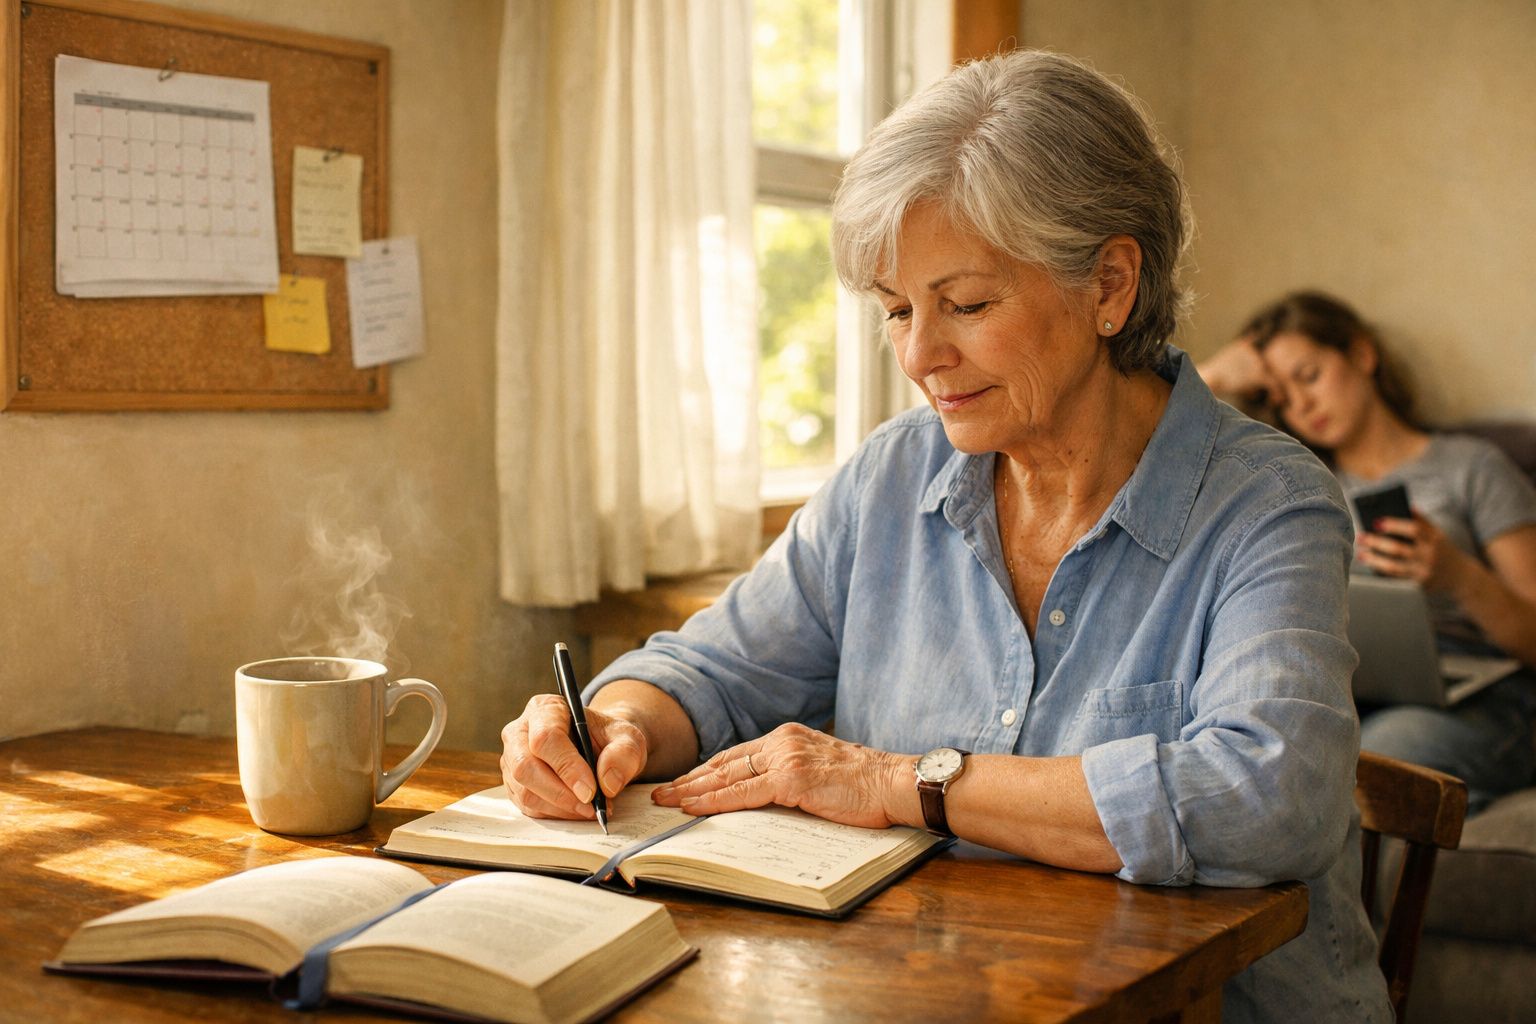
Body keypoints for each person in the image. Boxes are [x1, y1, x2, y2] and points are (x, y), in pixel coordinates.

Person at [501, 51, 1390, 1020]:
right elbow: (709, 670)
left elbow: (1273, 794)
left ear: (1110, 286)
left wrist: (906, 782)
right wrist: (613, 724)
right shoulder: (890, 478)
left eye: (966, 304)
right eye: (897, 311)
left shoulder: (1268, 504)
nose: (921, 355)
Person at [1200, 291, 1536, 810]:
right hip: (1350, 691)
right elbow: (1165, 459)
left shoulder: (1471, 467)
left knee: (1356, 766)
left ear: (1361, 355)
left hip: (1483, 697)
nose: (1301, 406)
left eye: (1308, 376)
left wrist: (1457, 576)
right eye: (1281, 397)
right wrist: (1214, 379)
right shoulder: (1296, 490)